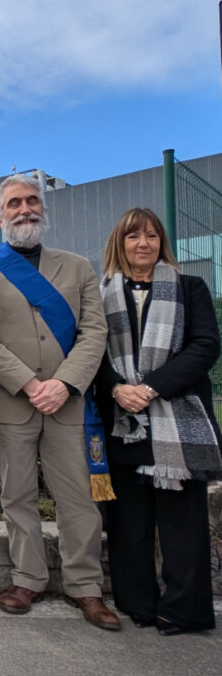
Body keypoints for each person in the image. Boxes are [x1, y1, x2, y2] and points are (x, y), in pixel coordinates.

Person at [0, 173, 120, 630]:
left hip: (68, 403)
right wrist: (31, 384)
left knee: (79, 499)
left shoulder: (77, 267)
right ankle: (27, 578)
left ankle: (86, 587)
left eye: (32, 201)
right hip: (10, 402)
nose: (25, 209)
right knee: (18, 496)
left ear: (43, 211)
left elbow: (95, 333)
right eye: (15, 203)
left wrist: (64, 384)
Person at [95, 208, 221, 634]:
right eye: (133, 237)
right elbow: (93, 353)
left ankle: (184, 609)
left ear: (161, 242)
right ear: (120, 244)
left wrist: (150, 388)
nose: (143, 243)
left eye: (151, 235)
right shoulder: (100, 295)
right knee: (129, 524)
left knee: (183, 526)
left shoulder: (190, 288)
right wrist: (116, 388)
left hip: (176, 422)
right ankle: (138, 603)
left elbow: (205, 346)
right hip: (123, 423)